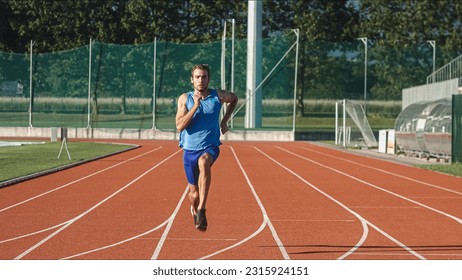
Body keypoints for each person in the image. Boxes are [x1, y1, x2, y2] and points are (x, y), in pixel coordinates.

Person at [175, 64, 238, 231]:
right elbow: (180, 126)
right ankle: (195, 208)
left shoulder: (217, 96)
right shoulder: (184, 99)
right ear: (192, 80)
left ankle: (202, 209)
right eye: (197, 77)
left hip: (210, 147)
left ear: (208, 79)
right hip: (189, 151)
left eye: (203, 77)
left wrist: (224, 121)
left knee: (204, 162)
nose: (200, 80)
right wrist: (195, 106)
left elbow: (234, 98)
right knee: (193, 194)